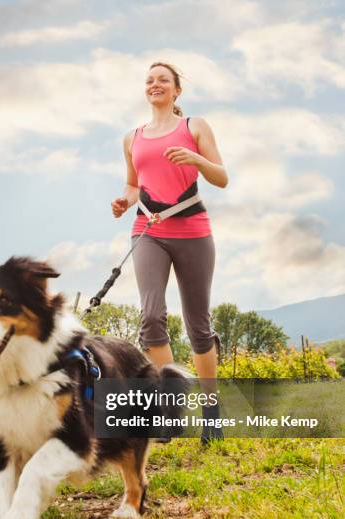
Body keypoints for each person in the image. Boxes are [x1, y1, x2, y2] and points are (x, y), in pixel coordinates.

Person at [111, 61, 228, 443]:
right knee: (151, 315)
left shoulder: (195, 126)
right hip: (148, 229)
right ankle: (170, 405)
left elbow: (221, 177)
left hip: (192, 229)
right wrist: (124, 201)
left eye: (163, 80)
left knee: (198, 324)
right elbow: (133, 184)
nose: (155, 84)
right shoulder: (132, 138)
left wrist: (196, 158)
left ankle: (211, 410)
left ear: (177, 90)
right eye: (149, 80)